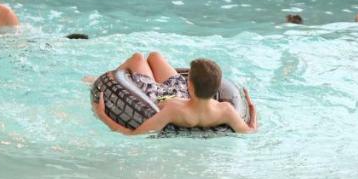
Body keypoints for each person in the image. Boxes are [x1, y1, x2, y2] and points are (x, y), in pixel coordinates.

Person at [94, 55, 258, 135]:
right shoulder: (226, 110)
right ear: (216, 90)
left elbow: (133, 134)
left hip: (157, 94)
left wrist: (102, 115)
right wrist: (251, 108)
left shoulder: (173, 110)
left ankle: (98, 78)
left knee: (138, 58)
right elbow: (250, 131)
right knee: (155, 56)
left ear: (190, 85)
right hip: (180, 93)